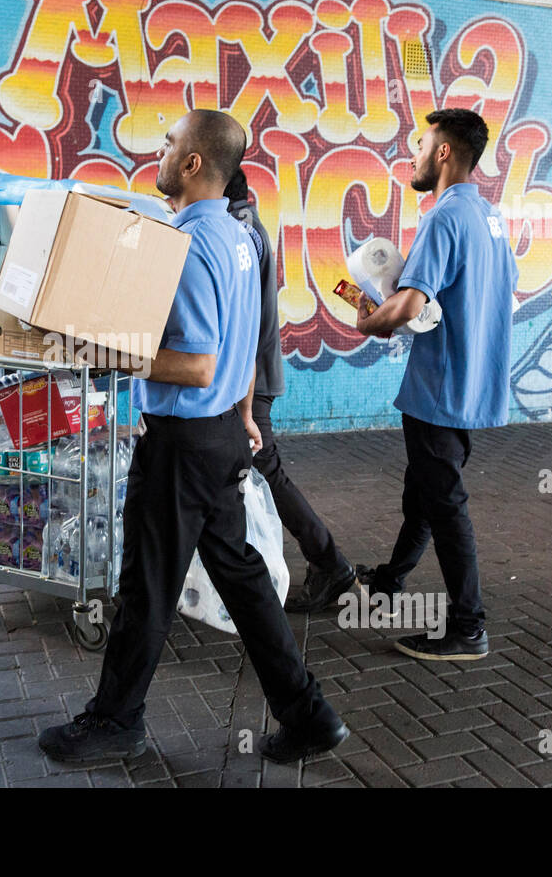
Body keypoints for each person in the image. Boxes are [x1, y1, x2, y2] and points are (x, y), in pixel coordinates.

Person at [38, 110, 348, 764]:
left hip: (183, 444)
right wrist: (242, 416)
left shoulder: (186, 242)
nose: (162, 147)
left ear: (192, 163)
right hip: (219, 438)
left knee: (148, 582)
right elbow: (241, 343)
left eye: (171, 141)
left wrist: (108, 351)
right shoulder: (239, 238)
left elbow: (198, 361)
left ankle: (116, 721)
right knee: (244, 580)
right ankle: (310, 716)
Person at [353, 108, 518, 661]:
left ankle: (468, 627)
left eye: (422, 144)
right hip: (470, 385)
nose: (415, 154)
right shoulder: (489, 218)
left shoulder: (444, 217)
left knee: (444, 503)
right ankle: (389, 582)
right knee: (424, 492)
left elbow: (410, 302)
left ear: (444, 151)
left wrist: (368, 320)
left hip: (441, 388)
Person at [224, 170, 359, 613]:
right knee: (247, 473)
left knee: (267, 472)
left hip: (250, 381)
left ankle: (330, 563)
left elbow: (242, 323)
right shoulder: (246, 226)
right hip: (250, 378)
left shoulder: (240, 232)